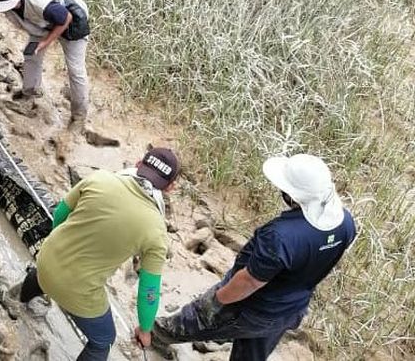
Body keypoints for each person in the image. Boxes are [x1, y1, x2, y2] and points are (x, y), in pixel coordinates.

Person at [152, 153, 356, 361]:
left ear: (293, 195)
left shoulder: (280, 236)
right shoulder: (346, 224)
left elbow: (249, 281)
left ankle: (155, 335)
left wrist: (214, 302)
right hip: (289, 311)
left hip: (252, 307)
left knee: (191, 322)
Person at [14, 147, 180, 361]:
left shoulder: (100, 178)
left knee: (44, 273)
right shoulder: (156, 230)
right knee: (104, 339)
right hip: (78, 290)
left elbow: (60, 215)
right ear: (170, 188)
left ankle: (19, 300)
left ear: (139, 163)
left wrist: (61, 249)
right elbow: (149, 291)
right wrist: (145, 329)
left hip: (46, 258)